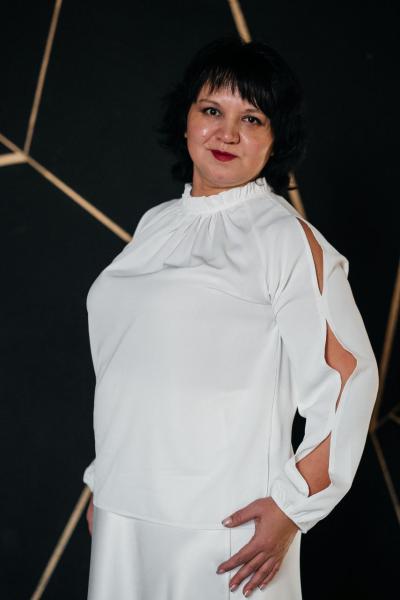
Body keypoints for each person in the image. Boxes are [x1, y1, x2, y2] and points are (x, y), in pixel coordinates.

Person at [82, 36, 379, 599]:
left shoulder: (284, 237)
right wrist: (105, 480)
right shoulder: (156, 225)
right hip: (125, 513)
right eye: (212, 110)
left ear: (276, 138)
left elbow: (349, 377)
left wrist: (293, 506)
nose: (227, 133)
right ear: (186, 120)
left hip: (222, 529)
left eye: (252, 118)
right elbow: (129, 363)